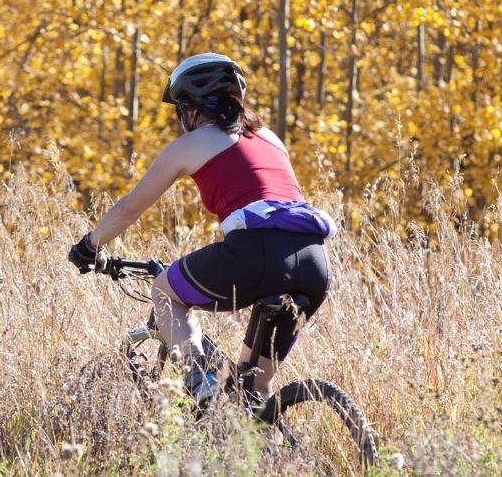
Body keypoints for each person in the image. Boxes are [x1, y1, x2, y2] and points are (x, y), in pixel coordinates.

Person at [68, 53, 336, 405]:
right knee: (252, 391)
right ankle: (264, 451)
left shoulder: (192, 144)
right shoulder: (270, 138)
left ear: (189, 108)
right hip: (315, 264)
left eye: (180, 110)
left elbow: (128, 210)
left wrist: (90, 245)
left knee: (165, 292)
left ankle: (201, 375)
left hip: (257, 253)